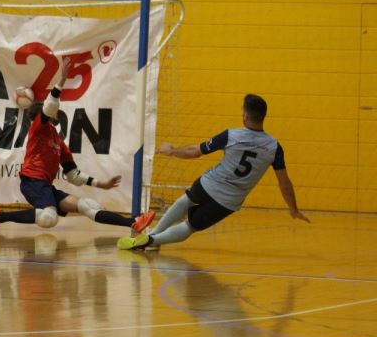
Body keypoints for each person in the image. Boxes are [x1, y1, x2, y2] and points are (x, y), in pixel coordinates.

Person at [0, 59, 155, 233]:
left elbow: (73, 175)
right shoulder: (39, 128)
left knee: (87, 205)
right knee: (48, 218)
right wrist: (61, 80)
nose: (56, 112)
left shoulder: (59, 143)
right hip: (32, 182)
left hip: (45, 186)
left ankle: (134, 222)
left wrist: (103, 185)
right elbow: (50, 106)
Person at [117, 93, 309, 250]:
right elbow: (284, 182)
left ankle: (153, 234)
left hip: (209, 183)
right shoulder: (274, 147)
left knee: (185, 200)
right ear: (263, 116)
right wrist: (293, 208)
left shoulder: (231, 135)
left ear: (245, 115)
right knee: (190, 226)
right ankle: (152, 241)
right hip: (229, 200)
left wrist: (172, 150)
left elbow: (194, 152)